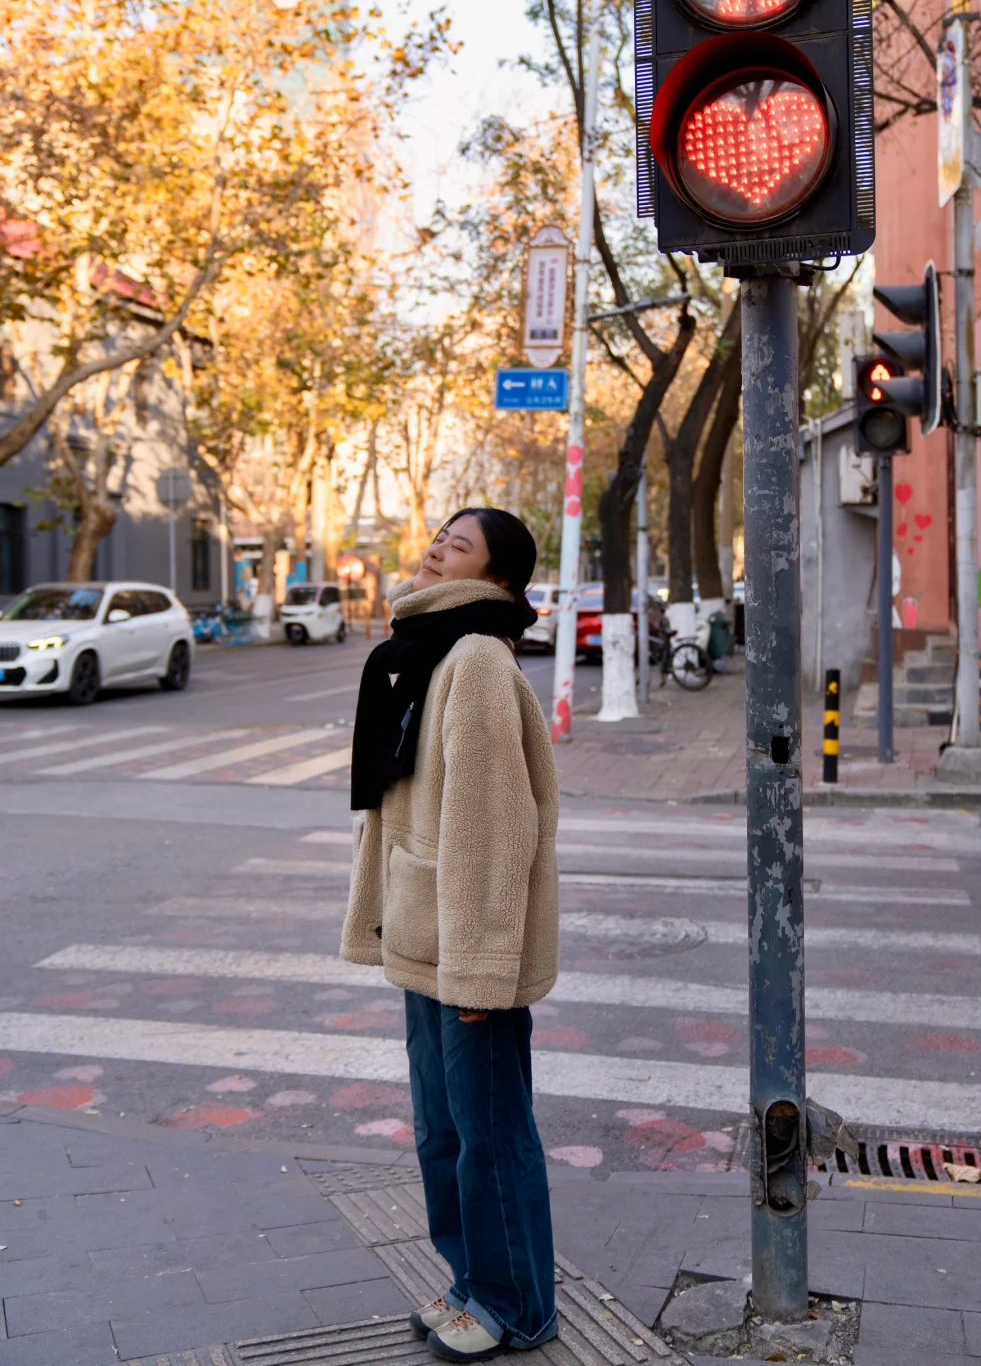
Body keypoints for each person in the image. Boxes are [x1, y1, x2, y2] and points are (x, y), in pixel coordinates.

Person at [341, 507, 560, 1363]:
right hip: (426, 938)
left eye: (458, 545)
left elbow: (496, 830)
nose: (435, 548)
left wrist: (479, 973)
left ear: (498, 580)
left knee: (491, 1135)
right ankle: (474, 1281)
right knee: (443, 1132)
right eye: (439, 536)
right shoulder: (431, 652)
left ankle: (520, 1307)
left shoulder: (473, 659)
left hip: (468, 954)